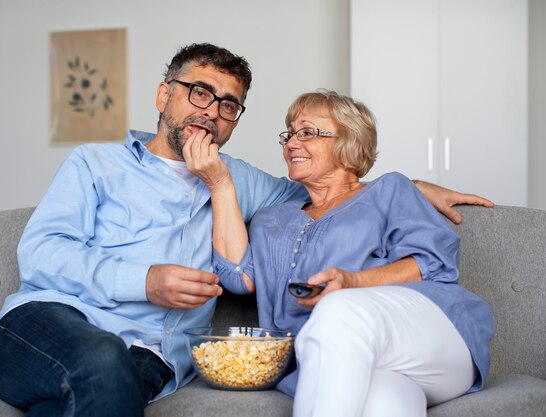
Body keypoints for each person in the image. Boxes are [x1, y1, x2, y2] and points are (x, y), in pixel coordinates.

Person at [0, 44, 493, 417]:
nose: (211, 111)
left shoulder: (247, 182)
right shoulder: (96, 163)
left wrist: (416, 187)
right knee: (100, 359)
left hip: (150, 360)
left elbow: (338, 189)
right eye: (199, 92)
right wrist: (142, 280)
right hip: (54, 324)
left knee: (80, 396)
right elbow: (40, 252)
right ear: (165, 95)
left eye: (228, 104)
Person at [190, 90, 494, 417]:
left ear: (348, 142)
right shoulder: (272, 218)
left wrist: (352, 281)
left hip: (432, 338)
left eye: (307, 132)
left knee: (338, 308)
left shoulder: (389, 189)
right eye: (289, 133)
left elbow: (431, 263)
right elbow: (239, 276)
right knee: (385, 404)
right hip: (352, 359)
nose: (291, 143)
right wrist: (219, 183)